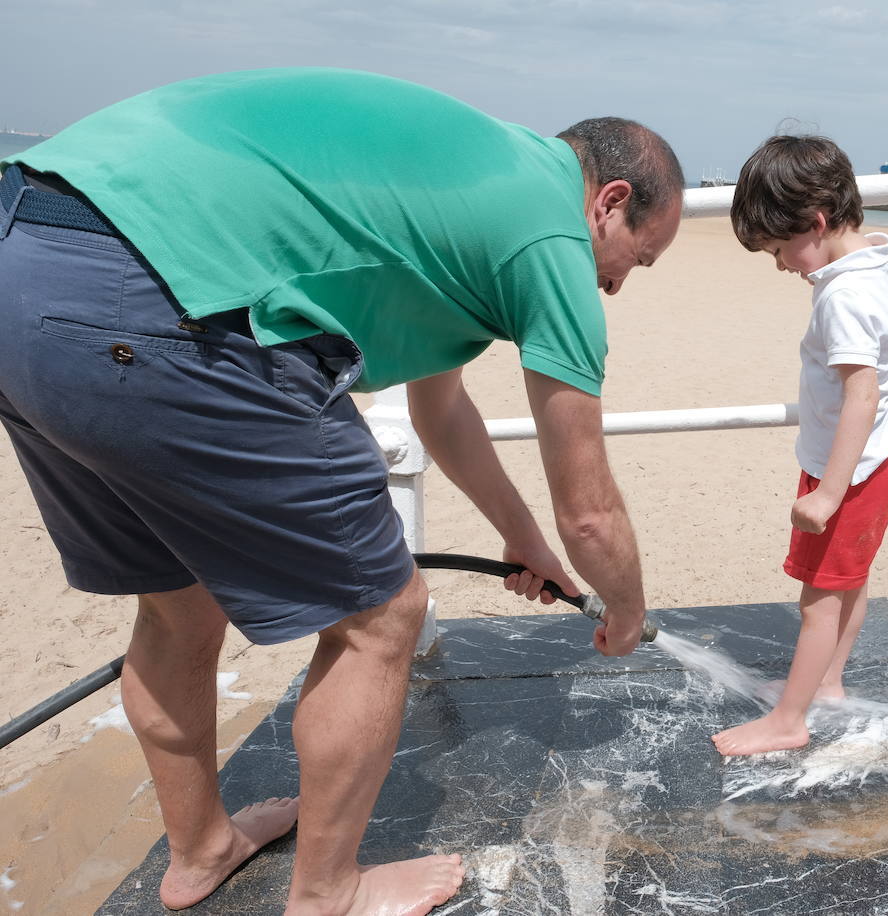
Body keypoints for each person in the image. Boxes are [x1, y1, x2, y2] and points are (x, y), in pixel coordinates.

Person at [0, 68, 681, 914]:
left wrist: (521, 537)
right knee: (382, 616)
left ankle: (201, 851)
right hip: (156, 294)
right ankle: (327, 894)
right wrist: (625, 609)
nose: (617, 283)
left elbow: (443, 411)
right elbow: (589, 508)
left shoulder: (476, 182)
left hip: (25, 256)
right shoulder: (552, 239)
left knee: (178, 604)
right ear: (608, 202)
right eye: (635, 259)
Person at [713, 135, 888, 757]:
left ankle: (788, 720)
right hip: (877, 465)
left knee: (817, 600)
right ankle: (826, 684)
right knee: (849, 582)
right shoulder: (877, 261)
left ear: (816, 224)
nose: (779, 265)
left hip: (844, 475)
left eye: (777, 249)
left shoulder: (844, 296)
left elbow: (861, 396)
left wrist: (827, 492)